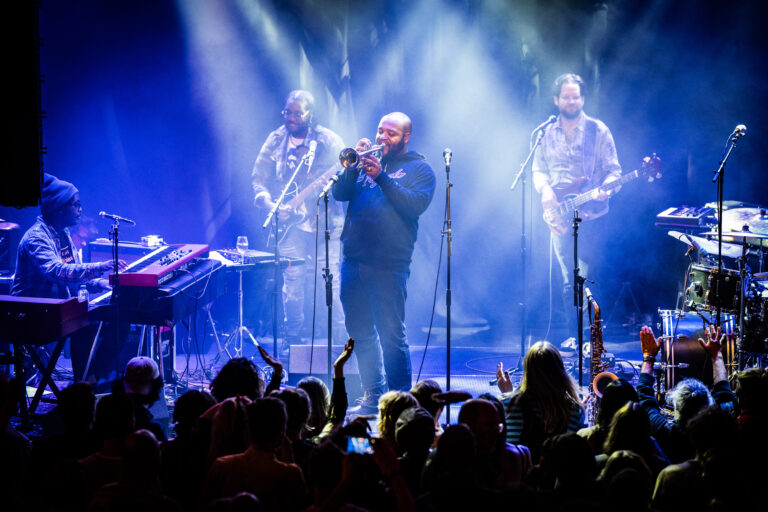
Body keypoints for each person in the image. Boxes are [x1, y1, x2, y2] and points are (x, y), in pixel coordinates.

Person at [332, 112, 436, 411]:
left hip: (389, 264)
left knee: (392, 336)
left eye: (391, 133)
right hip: (353, 260)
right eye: (380, 131)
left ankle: (400, 402)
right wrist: (353, 169)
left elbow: (414, 205)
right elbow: (340, 193)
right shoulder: (363, 164)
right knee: (360, 333)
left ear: (406, 137)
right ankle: (372, 395)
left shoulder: (421, 169)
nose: (382, 138)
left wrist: (382, 177)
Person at [251, 90, 347, 353]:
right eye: (287, 113)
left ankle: (342, 339)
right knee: (292, 283)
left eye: (297, 113)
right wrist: (271, 204)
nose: (291, 118)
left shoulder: (328, 141)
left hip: (326, 224)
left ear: (310, 115)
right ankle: (292, 340)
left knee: (331, 280)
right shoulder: (276, 139)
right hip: (290, 227)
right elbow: (258, 180)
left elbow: (346, 173)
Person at [11, 173, 127, 383]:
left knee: (120, 319)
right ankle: (83, 384)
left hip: (58, 310)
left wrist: (100, 284)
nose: (80, 210)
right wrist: (100, 267)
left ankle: (89, 379)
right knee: (84, 323)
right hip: (32, 315)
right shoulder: (36, 238)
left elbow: (72, 273)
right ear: (59, 207)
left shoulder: (62, 234)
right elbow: (57, 271)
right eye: (75, 205)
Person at [532, 73, 622, 334]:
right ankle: (574, 337)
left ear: (583, 99)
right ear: (556, 99)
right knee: (568, 280)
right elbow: (538, 170)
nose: (571, 101)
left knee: (591, 278)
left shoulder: (598, 130)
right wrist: (545, 190)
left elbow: (614, 171)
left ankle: (593, 341)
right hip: (560, 215)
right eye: (566, 97)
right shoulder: (545, 133)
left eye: (576, 97)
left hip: (592, 216)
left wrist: (607, 189)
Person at [497, 340, 586, 462]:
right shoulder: (574, 409)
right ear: (560, 371)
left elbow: (507, 453)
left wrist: (508, 395)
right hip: (556, 478)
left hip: (520, 478)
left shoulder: (508, 404)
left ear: (527, 370)